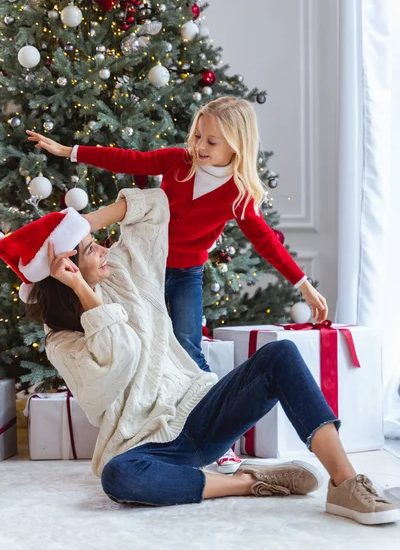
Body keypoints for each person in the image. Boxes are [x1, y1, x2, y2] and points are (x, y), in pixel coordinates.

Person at [0, 186, 398, 525]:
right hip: (148, 445)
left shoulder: (123, 267)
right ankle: (248, 483)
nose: (104, 248)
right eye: (90, 248)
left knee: (281, 354)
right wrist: (86, 295)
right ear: (66, 268)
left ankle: (345, 483)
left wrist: (83, 225)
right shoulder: (62, 341)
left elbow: (154, 204)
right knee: (117, 478)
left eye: (96, 239)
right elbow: (119, 361)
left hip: (201, 407)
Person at [26, 96, 328, 473]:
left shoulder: (238, 194)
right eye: (198, 136)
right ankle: (149, 422)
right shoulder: (177, 161)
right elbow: (128, 160)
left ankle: (222, 442)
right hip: (144, 267)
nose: (199, 147)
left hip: (187, 275)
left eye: (212, 142)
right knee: (142, 336)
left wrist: (302, 283)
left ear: (237, 144)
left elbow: (265, 240)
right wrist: (69, 150)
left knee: (188, 344)